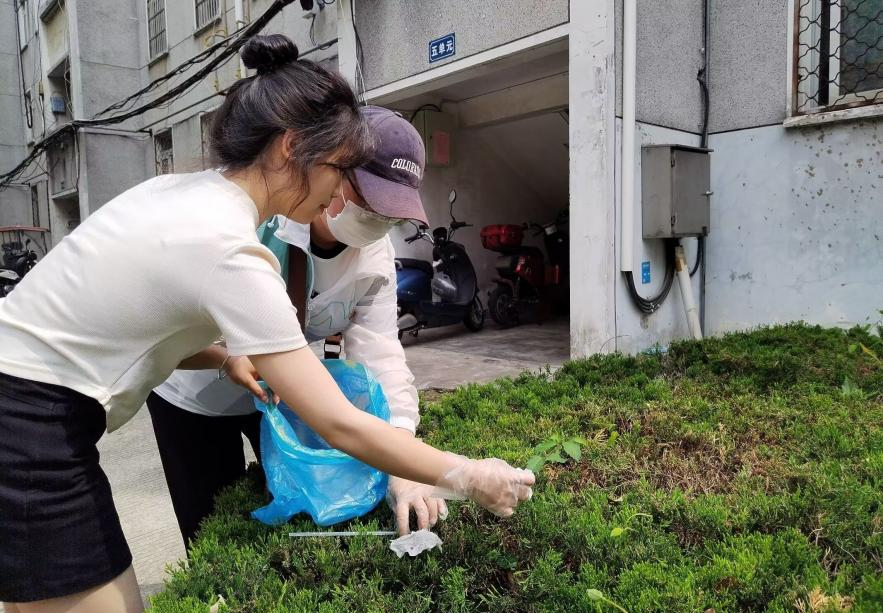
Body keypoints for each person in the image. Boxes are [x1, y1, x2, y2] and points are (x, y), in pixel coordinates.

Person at [0, 34, 533, 613]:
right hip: (30, 423)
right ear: (290, 149)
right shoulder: (231, 246)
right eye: (339, 169)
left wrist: (225, 355)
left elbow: (139, 329)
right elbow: (337, 423)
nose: (338, 190)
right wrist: (467, 475)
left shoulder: (180, 195)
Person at [149, 105, 447, 545]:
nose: (378, 220)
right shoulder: (258, 222)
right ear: (332, 169)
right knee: (211, 525)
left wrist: (404, 459)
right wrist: (224, 355)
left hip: (281, 392)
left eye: (392, 213)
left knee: (293, 510)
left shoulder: (375, 257)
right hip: (196, 396)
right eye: (369, 200)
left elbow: (381, 354)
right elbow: (175, 326)